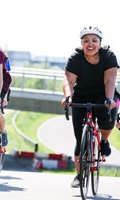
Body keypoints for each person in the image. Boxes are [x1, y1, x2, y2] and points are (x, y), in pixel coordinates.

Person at [61, 26, 119, 188]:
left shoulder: (109, 56)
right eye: (86, 41)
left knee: (107, 121)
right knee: (80, 139)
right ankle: (79, 175)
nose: (90, 44)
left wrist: (108, 99)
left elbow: (110, 81)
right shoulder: (75, 57)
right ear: (81, 43)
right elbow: (69, 81)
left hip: (104, 95)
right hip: (81, 96)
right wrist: (68, 96)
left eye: (94, 40)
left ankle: (105, 140)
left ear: (100, 43)